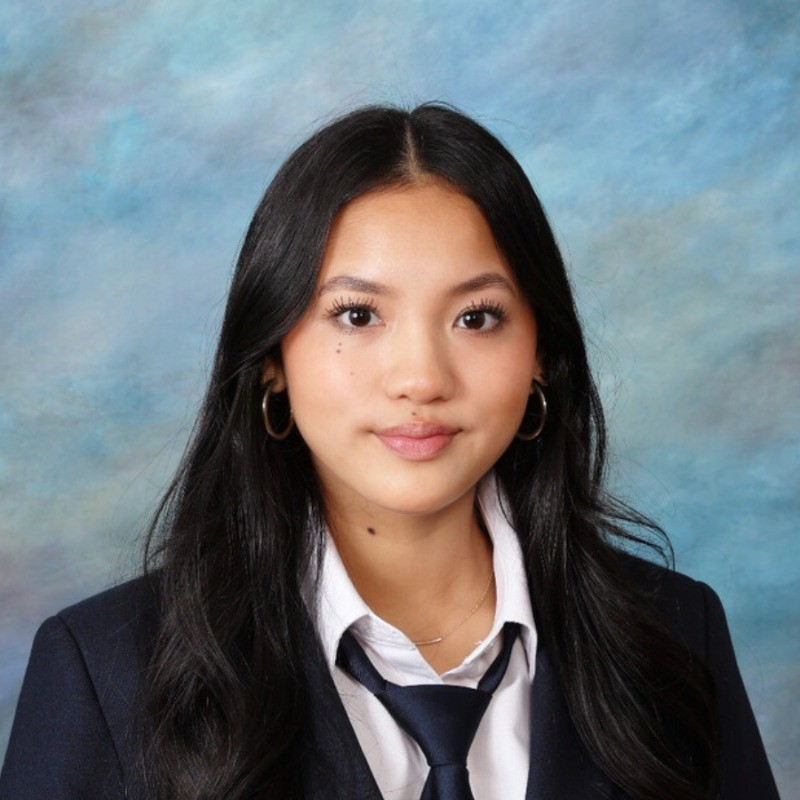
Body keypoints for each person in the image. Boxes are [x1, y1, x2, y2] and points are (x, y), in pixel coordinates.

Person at [0, 104, 780, 800]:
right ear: (271, 355)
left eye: (476, 318)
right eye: (358, 315)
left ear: (543, 352)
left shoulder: (678, 636)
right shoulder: (104, 672)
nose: (420, 378)